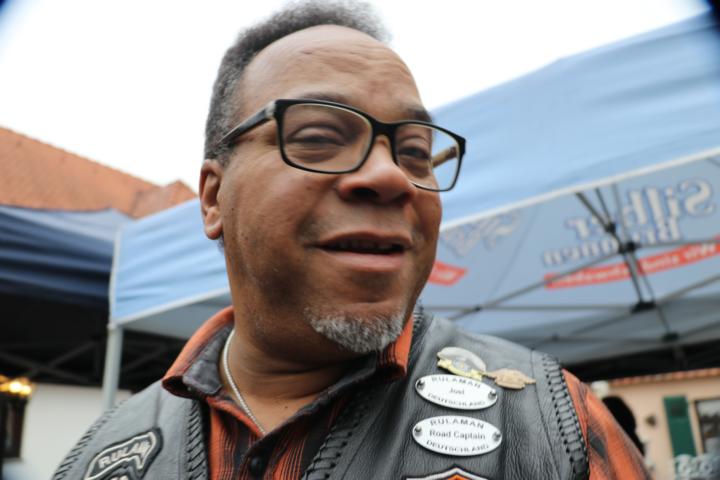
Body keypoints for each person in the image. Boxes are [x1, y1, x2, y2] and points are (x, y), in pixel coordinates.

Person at [53, 2, 650, 479]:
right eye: (318, 136)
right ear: (213, 198)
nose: (391, 176)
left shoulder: (560, 429)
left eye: (415, 150)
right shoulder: (99, 457)